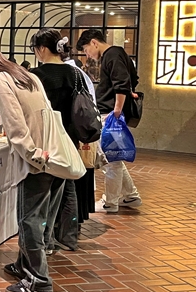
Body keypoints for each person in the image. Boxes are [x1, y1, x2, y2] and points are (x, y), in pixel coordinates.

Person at [0, 49, 60, 292]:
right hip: (50, 153)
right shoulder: (27, 75)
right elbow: (47, 114)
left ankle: (38, 280)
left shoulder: (0, 80)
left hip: (35, 159)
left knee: (29, 220)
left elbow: (14, 124)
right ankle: (24, 265)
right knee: (36, 217)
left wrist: (32, 154)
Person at [30, 29, 90, 253]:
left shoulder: (37, 75)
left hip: (46, 137)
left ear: (41, 49)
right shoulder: (75, 73)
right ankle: (67, 236)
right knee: (65, 186)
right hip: (69, 137)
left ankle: (45, 240)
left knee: (43, 192)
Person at [76, 29, 142, 213]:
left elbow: (122, 83)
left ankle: (110, 202)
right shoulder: (116, 54)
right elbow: (132, 79)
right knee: (113, 157)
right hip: (111, 113)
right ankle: (131, 195)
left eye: (86, 50)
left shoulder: (112, 54)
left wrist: (116, 111)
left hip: (110, 114)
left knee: (110, 159)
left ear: (94, 42)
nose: (87, 55)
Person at [62, 50, 98, 226]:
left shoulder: (68, 73)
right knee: (82, 173)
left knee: (75, 174)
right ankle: (80, 214)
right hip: (84, 130)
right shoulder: (80, 73)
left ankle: (73, 218)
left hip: (74, 131)